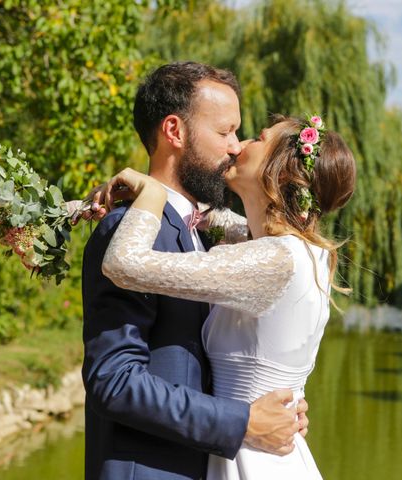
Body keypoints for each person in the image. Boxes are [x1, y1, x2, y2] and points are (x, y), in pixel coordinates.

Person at [82, 62, 309, 480]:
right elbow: (113, 381)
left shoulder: (197, 232)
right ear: (175, 131)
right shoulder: (126, 231)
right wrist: (242, 421)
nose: (236, 146)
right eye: (224, 131)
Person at [98, 114, 356, 478]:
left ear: (280, 172)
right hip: (263, 446)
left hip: (253, 455)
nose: (239, 145)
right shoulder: (301, 252)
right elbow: (212, 220)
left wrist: (152, 194)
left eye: (258, 139)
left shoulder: (273, 260)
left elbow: (124, 264)